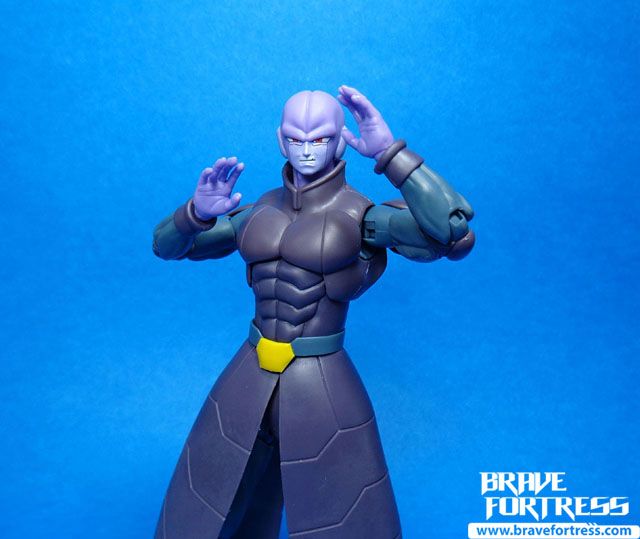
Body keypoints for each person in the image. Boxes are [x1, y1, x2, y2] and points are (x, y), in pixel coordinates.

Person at [152, 85, 475, 539]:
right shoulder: (257, 211)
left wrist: (391, 155)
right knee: (211, 496)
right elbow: (167, 246)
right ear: (280, 140)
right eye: (296, 138)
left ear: (340, 141)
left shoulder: (360, 216)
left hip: (319, 375)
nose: (306, 150)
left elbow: (452, 232)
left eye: (320, 138)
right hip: (250, 368)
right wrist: (195, 214)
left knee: (341, 506)